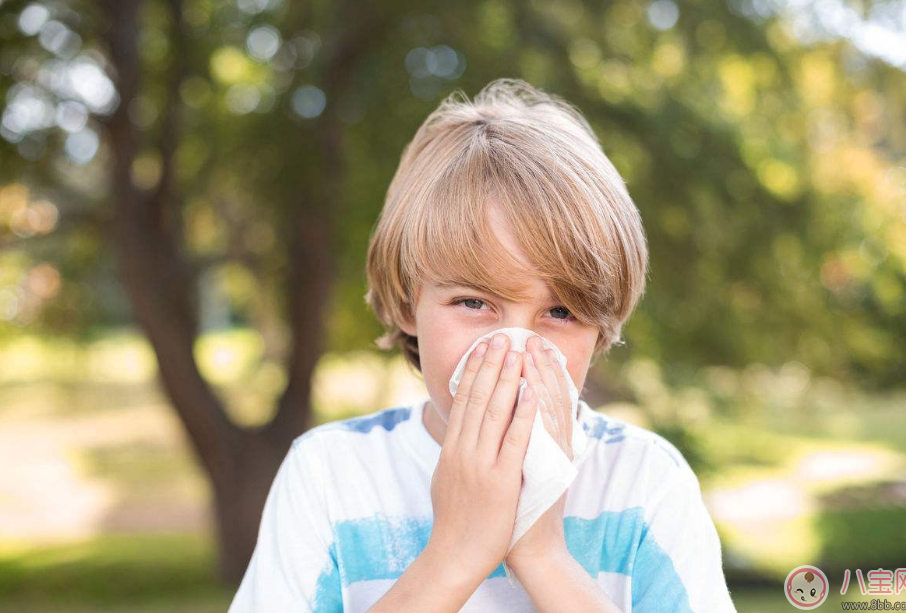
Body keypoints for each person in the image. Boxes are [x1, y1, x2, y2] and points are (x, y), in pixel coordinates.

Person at [228, 77, 738, 613]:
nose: (515, 351)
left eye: (560, 312)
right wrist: (456, 552)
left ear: (600, 329)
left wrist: (542, 554)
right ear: (408, 304)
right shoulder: (330, 477)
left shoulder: (644, 482)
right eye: (475, 303)